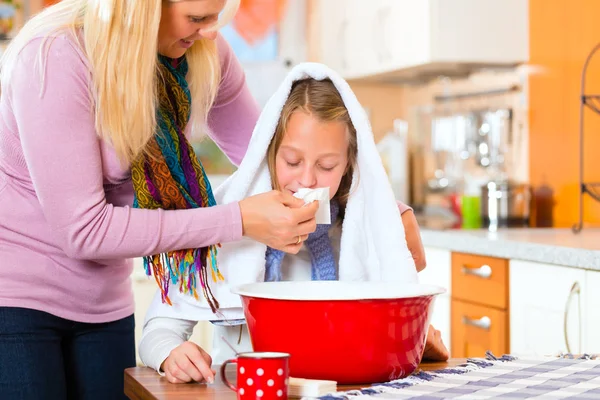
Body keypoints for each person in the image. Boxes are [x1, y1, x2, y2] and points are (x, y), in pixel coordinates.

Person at [0, 1, 321, 399]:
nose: (209, 32)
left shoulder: (202, 53)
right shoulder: (55, 57)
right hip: (17, 302)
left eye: (215, 17)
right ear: (143, 9)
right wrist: (237, 219)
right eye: (197, 18)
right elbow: (84, 230)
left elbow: (270, 160)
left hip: (105, 305)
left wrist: (384, 211)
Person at [139, 70, 449, 385]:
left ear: (348, 166)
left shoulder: (361, 242)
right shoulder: (230, 234)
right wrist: (170, 354)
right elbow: (158, 328)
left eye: (327, 166)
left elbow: (390, 341)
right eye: (291, 162)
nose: (307, 180)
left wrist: (417, 341)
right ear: (269, 154)